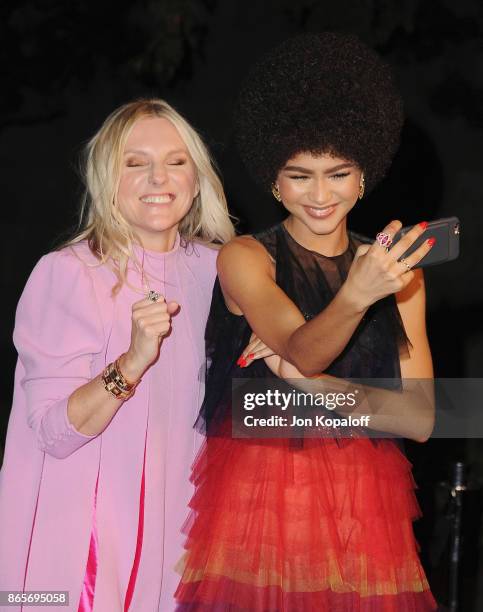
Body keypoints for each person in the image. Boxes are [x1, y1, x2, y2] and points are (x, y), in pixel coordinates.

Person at [175, 33, 438, 610]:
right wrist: (353, 296)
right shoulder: (246, 257)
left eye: (338, 174)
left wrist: (315, 390)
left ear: (364, 176)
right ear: (274, 179)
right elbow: (303, 347)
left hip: (368, 506)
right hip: (261, 501)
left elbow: (418, 419)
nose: (320, 195)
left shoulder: (400, 275)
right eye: (300, 176)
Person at [0, 98, 237, 611]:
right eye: (136, 163)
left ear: (196, 178)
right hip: (89, 548)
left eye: (176, 162)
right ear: (109, 179)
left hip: (187, 541)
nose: (159, 177)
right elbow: (51, 433)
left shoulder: (221, 272)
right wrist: (131, 362)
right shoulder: (69, 273)